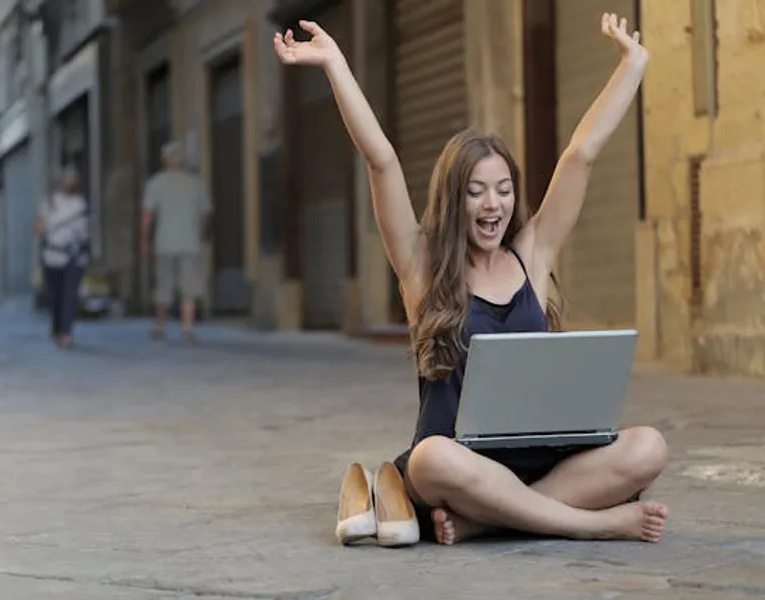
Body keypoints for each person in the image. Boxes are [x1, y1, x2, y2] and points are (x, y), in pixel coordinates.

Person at [274, 13, 669, 546]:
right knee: (432, 457)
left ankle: (490, 520)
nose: (493, 204)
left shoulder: (534, 254)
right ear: (452, 198)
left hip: (542, 462)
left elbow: (581, 153)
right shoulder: (423, 266)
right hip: (461, 467)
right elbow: (381, 160)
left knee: (649, 447)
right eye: (476, 190)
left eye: (504, 189)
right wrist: (334, 64)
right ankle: (591, 522)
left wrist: (632, 65)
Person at [140, 142, 211, 343]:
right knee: (189, 286)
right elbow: (206, 215)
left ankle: (160, 326)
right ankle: (187, 328)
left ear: (164, 161)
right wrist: (203, 235)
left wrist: (144, 241)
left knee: (163, 285)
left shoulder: (155, 184)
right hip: (190, 242)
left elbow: (147, 216)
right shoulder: (196, 183)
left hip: (165, 243)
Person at [35, 166, 90, 349]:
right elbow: (39, 228)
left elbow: (39, 229)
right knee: (57, 296)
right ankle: (58, 330)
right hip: (54, 256)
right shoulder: (49, 202)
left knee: (68, 295)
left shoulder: (79, 204)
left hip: (71, 256)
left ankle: (65, 332)